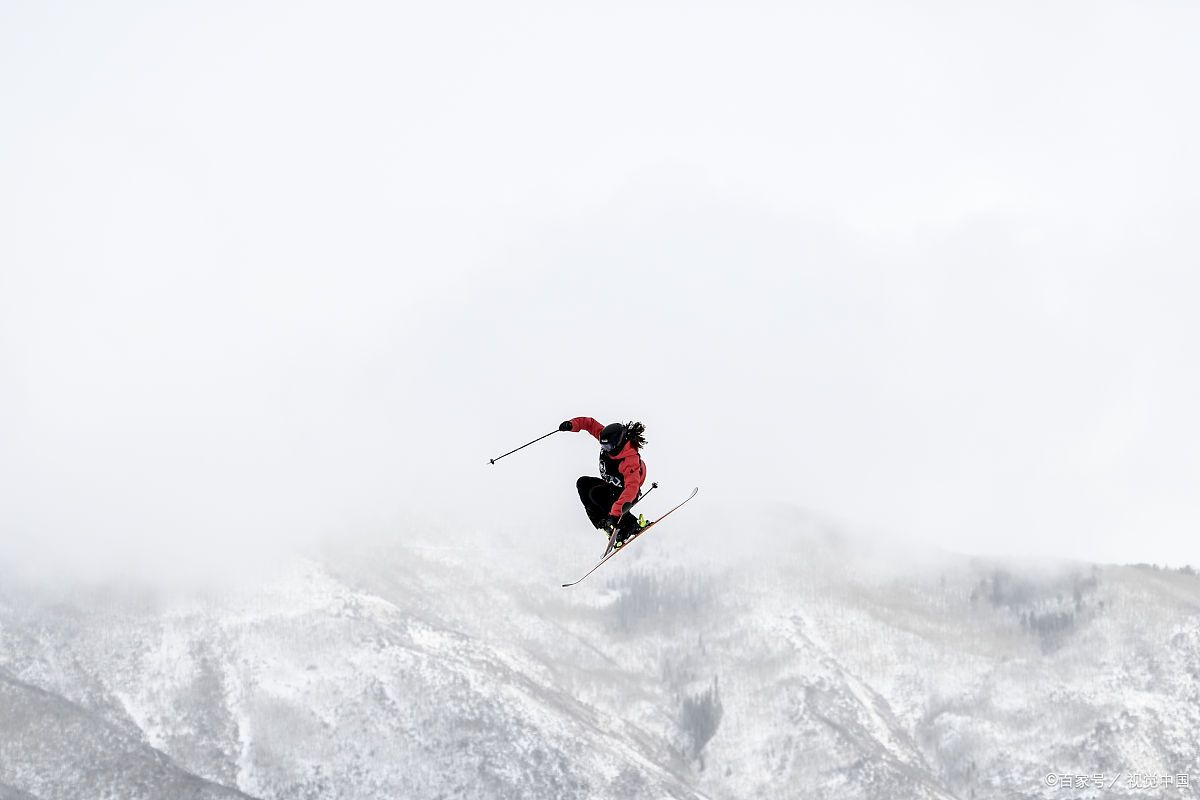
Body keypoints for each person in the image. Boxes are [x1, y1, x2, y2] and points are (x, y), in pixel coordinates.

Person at [559, 417, 649, 548]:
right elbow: (590, 424)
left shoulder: (629, 460)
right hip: (613, 486)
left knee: (597, 494)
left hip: (627, 493)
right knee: (583, 483)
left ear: (618, 443)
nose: (605, 449)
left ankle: (630, 525)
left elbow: (632, 488)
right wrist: (572, 425)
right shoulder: (608, 441)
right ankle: (606, 525)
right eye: (603, 445)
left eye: (608, 446)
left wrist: (615, 513)